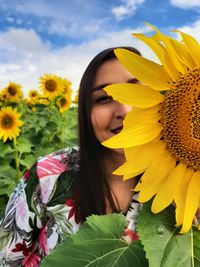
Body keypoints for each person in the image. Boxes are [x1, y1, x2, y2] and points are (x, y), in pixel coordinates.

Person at [0, 47, 142, 266]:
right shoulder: (48, 176)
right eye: (104, 98)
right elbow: (7, 258)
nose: (124, 109)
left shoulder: (182, 184)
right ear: (85, 111)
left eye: (136, 93)